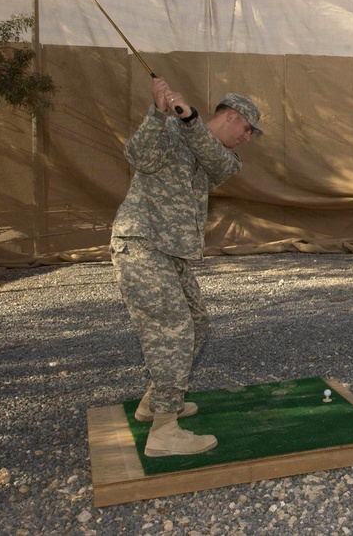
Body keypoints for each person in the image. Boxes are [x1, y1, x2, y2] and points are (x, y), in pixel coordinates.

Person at [110, 76, 262, 457]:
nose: (246, 138)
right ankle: (164, 431)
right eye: (246, 129)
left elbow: (213, 158)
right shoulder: (169, 132)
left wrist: (191, 119)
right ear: (230, 117)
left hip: (170, 251)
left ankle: (155, 401)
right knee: (173, 330)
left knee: (196, 323)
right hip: (142, 243)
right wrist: (157, 112)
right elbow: (137, 155)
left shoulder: (220, 155)